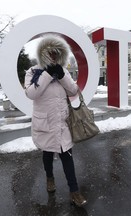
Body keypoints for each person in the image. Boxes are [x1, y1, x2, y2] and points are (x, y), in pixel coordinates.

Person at [24, 34, 87, 207]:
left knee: (67, 157)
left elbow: (74, 90)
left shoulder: (63, 70)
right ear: (43, 53)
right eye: (49, 52)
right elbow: (31, 93)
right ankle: (49, 178)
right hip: (45, 124)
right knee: (47, 154)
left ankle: (74, 192)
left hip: (62, 123)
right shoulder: (33, 72)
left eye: (56, 52)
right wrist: (46, 75)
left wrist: (62, 76)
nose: (53, 55)